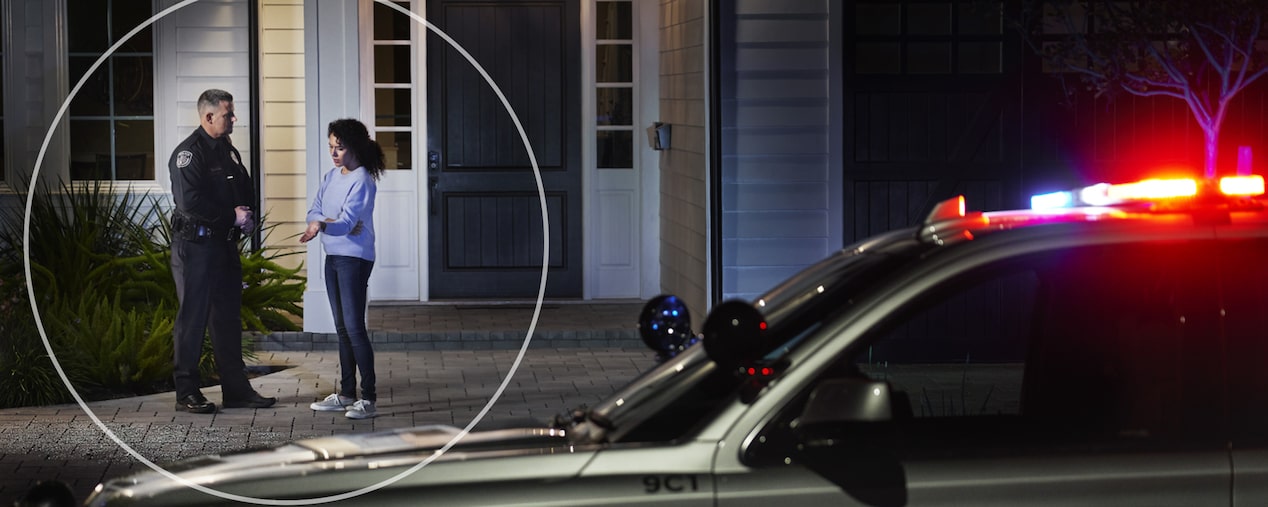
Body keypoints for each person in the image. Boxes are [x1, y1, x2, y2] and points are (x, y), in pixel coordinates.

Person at [168, 88, 277, 414]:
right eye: (229, 114)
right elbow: (190, 202)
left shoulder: (226, 150)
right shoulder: (189, 153)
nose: (234, 118)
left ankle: (236, 390)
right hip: (196, 247)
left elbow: (242, 188)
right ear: (209, 116)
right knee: (193, 320)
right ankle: (186, 392)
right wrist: (231, 216)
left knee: (227, 320)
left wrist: (246, 218)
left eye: (232, 113)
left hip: (223, 246)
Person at [300, 118, 385, 419]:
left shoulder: (362, 180)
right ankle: (347, 393)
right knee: (341, 328)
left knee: (354, 327)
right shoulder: (331, 176)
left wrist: (322, 223)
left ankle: (369, 399)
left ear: (355, 147)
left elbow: (348, 224)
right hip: (333, 256)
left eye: (340, 147)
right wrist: (319, 221)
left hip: (354, 258)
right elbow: (315, 208)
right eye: (331, 147)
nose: (334, 153)